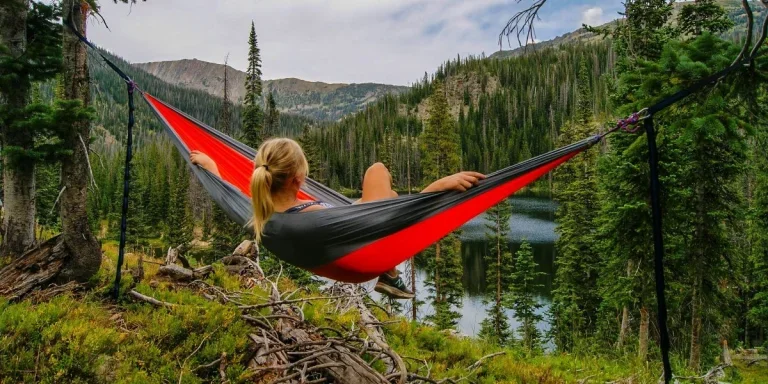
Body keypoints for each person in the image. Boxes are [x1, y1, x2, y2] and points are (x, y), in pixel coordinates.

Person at [190, 138, 485, 299]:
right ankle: (390, 273)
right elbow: (389, 224)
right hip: (363, 255)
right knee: (377, 170)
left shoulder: (259, 212)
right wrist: (436, 189)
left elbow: (229, 196)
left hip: (342, 239)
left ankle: (391, 274)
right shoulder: (311, 218)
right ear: (297, 179)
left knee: (390, 193)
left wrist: (213, 169)